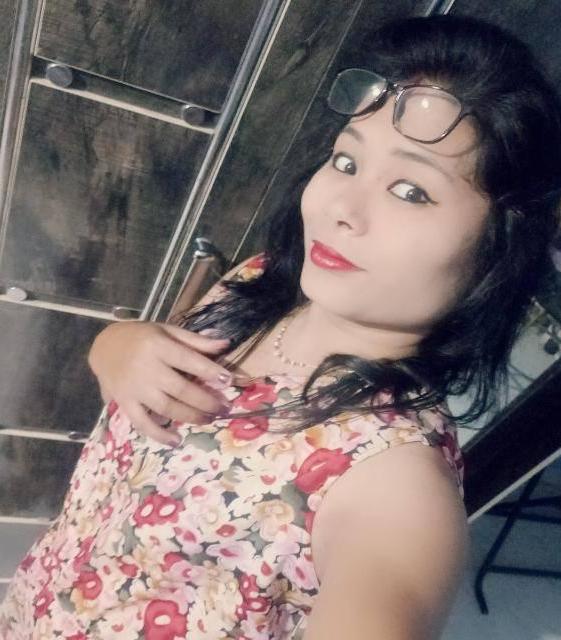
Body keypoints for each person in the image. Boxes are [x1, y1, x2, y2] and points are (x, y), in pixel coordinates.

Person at [2, 12, 561, 640]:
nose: (340, 208)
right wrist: (115, 347)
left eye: (410, 191)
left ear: (498, 249)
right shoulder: (259, 281)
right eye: (346, 161)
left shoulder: (394, 480)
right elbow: (151, 366)